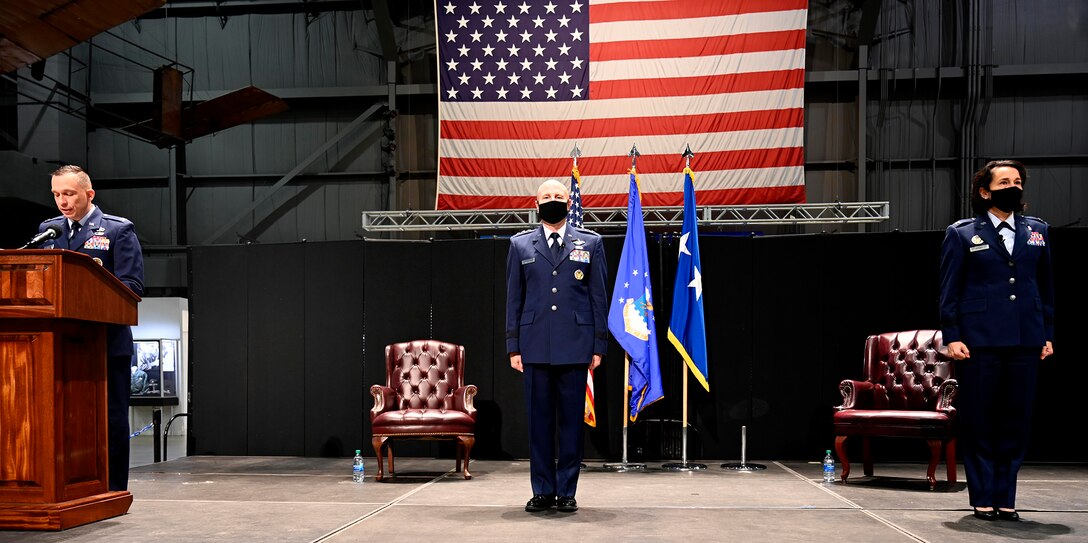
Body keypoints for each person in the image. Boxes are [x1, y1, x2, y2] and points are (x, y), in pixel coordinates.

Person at [939, 159, 1055, 522]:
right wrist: (952, 335)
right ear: (986, 190)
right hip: (980, 342)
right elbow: (949, 291)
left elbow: (1045, 287)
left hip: (1025, 338)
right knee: (982, 420)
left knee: (1015, 421)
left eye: (1018, 181)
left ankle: (1006, 497)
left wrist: (1047, 334)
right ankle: (983, 496)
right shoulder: (961, 233)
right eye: (1004, 182)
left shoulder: (1037, 231)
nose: (1013, 187)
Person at [38, 164, 145, 492]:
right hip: (60, 345)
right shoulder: (50, 231)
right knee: (64, 420)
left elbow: (132, 287)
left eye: (69, 193)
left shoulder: (116, 230)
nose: (62, 201)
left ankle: (112, 490)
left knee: (110, 421)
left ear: (89, 194)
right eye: (56, 194)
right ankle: (73, 487)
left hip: (106, 345)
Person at [506, 179, 608, 513]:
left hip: (576, 347)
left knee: (570, 425)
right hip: (534, 347)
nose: (553, 200)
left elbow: (597, 298)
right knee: (539, 424)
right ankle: (542, 490)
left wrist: (598, 345)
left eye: (558, 196)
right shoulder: (520, 245)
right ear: (535, 204)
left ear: (570, 202)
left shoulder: (590, 243)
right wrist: (513, 346)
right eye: (546, 196)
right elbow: (514, 300)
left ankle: (566, 490)